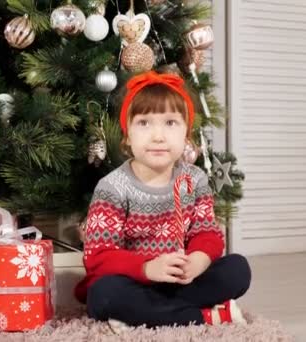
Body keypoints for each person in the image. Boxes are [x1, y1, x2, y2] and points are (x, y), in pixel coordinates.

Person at [74, 71, 252, 332]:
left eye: (170, 123)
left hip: (181, 280)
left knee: (237, 270)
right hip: (134, 280)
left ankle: (147, 314)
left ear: (186, 135)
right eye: (144, 123)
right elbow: (99, 257)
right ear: (127, 136)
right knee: (104, 294)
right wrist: (146, 267)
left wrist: (198, 259)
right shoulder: (112, 187)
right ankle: (204, 317)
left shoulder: (194, 179)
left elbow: (207, 233)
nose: (158, 136)